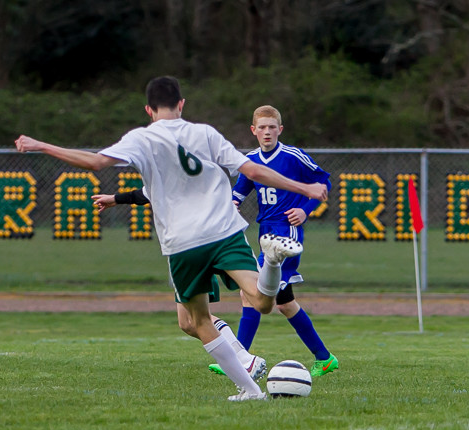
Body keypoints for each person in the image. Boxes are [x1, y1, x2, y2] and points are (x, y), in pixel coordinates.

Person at [16, 76, 328, 401]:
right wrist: (305, 188)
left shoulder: (140, 139)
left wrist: (42, 146)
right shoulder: (205, 133)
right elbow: (253, 171)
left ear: (148, 109)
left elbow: (95, 162)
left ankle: (249, 388)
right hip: (224, 231)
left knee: (197, 320)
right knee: (262, 302)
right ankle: (272, 262)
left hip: (184, 242)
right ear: (181, 104)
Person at [209, 105, 337, 377]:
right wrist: (231, 204)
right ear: (253, 130)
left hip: (287, 233)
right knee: (285, 303)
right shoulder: (251, 160)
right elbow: (240, 192)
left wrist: (305, 210)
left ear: (280, 129)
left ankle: (239, 359)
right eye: (262, 127)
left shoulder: (293, 156)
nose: (267, 132)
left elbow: (323, 182)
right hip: (265, 232)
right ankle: (324, 358)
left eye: (272, 127)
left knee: (250, 292)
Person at [91, 189, 268, 382]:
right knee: (187, 323)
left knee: (200, 318)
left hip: (191, 246)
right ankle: (244, 361)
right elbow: (150, 191)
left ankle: (245, 361)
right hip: (187, 244)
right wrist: (116, 199)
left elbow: (157, 190)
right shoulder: (167, 178)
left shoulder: (180, 176)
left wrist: (116, 199)